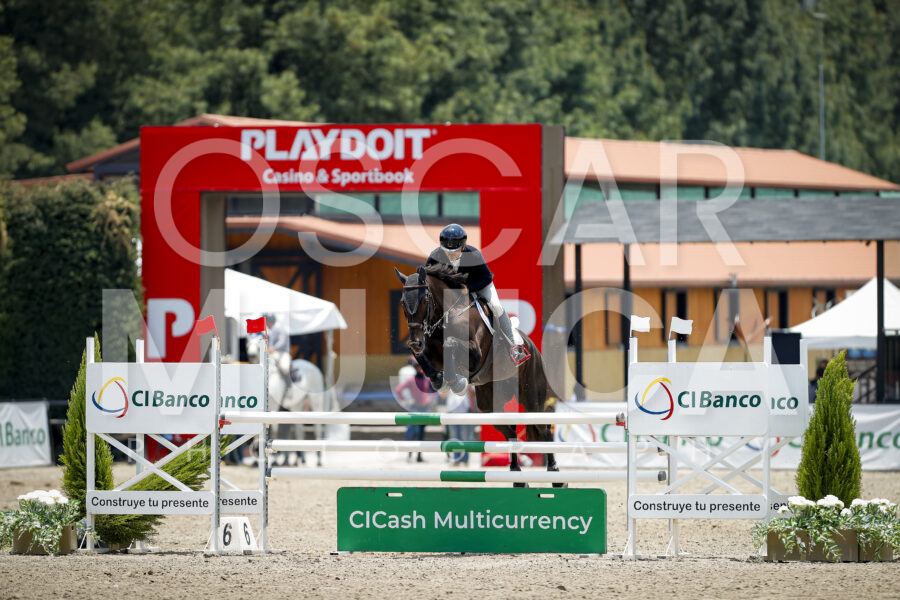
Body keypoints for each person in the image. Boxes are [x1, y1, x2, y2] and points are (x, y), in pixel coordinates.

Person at [424, 223, 530, 368]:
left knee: (496, 307)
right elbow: (427, 278)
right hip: (453, 293)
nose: (451, 255)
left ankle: (514, 346)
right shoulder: (435, 256)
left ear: (463, 246)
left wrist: (468, 289)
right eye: (447, 251)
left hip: (479, 285)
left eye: (455, 251)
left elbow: (486, 278)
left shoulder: (473, 254)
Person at [394, 358, 436, 463]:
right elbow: (398, 390)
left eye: (421, 367)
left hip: (425, 408)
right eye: (418, 367)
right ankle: (410, 454)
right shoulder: (412, 380)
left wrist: (431, 399)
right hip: (415, 407)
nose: (420, 369)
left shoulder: (426, 380)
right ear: (415, 368)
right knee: (414, 432)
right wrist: (406, 400)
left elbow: (433, 390)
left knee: (421, 433)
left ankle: (419, 456)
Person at [442, 385, 475, 466]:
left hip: (464, 412)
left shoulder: (467, 380)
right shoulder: (448, 381)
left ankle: (465, 460)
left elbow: (473, 394)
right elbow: (443, 395)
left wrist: (468, 386)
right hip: (451, 412)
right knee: (454, 438)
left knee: (465, 438)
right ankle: (456, 459)